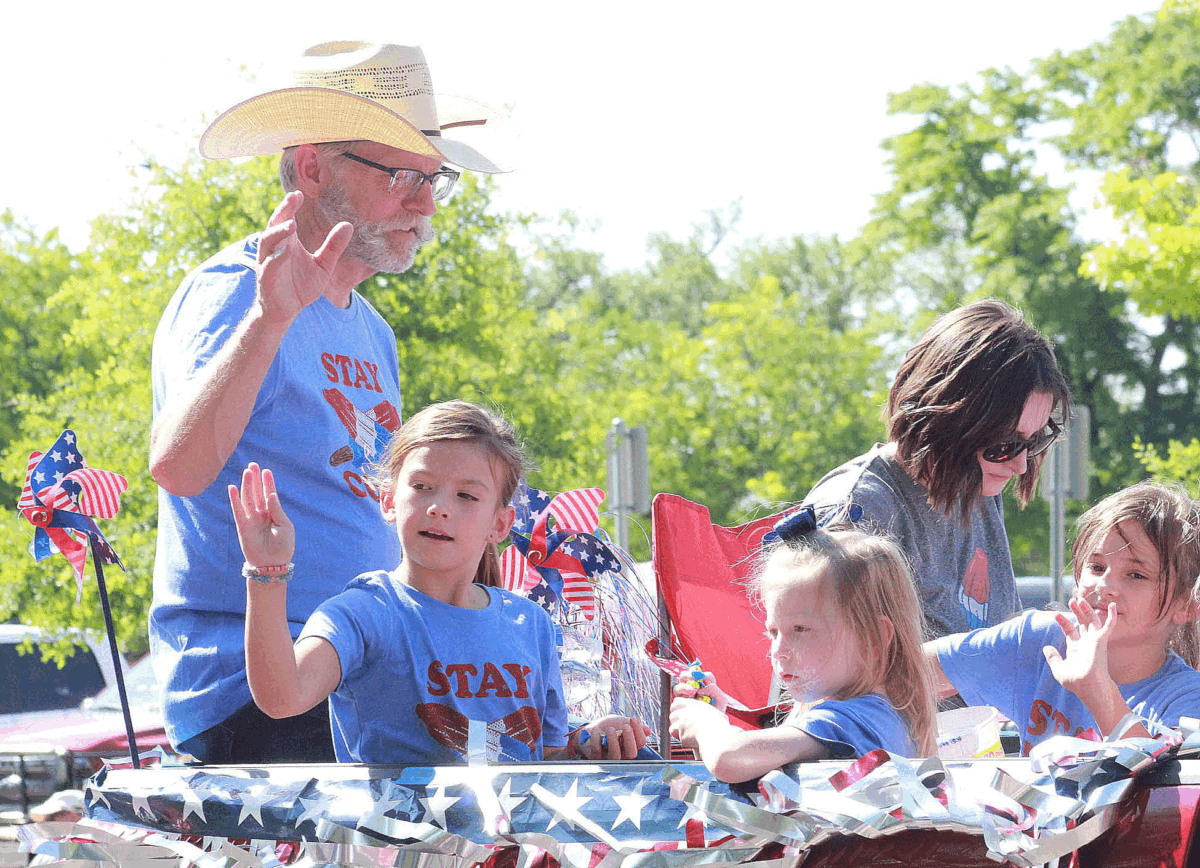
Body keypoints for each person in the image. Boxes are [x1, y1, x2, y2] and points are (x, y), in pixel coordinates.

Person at [148, 42, 507, 763]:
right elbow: (179, 468)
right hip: (260, 686)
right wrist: (269, 318)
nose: (425, 202)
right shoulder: (236, 292)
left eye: (435, 178)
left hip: (360, 664)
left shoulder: (373, 331)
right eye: (402, 173)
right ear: (312, 167)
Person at [230, 400, 650, 763]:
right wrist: (267, 574)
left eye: (467, 495)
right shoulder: (361, 613)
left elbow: (545, 757)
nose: (439, 508)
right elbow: (282, 697)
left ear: (500, 524)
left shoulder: (531, 623)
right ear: (388, 500)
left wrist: (588, 742)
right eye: (422, 486)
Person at [805, 300, 1072, 638]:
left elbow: (986, 631)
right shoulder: (857, 511)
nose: (1020, 465)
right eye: (1004, 443)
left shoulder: (975, 487)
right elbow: (826, 675)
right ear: (947, 419)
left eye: (1034, 442)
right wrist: (995, 652)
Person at [929, 481, 1200, 756]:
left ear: (1187, 606)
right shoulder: (1039, 639)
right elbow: (904, 672)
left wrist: (1097, 690)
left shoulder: (1189, 700)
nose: (1104, 585)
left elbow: (1164, 790)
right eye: (1096, 566)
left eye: (1136, 575)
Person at [668, 518, 938, 782]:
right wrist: (716, 718)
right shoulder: (876, 715)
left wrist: (707, 726)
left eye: (801, 630)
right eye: (773, 632)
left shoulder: (854, 719)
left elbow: (730, 758)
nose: (779, 651)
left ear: (874, 638)